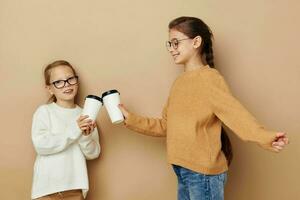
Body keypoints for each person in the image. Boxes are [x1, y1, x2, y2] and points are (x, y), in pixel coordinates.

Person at [118, 16, 289, 200]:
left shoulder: (210, 79)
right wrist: (130, 119)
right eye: (169, 44)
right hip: (183, 170)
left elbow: (236, 114)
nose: (172, 49)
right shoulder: (179, 83)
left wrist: (264, 137)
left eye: (176, 43)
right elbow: (166, 125)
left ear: (196, 42)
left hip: (203, 175)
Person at [31, 60, 101, 200]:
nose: (67, 85)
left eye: (70, 79)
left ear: (76, 81)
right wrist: (75, 130)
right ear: (50, 88)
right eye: (59, 82)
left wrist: (85, 136)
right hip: (46, 190)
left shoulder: (86, 115)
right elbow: (41, 145)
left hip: (74, 189)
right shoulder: (45, 112)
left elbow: (93, 153)